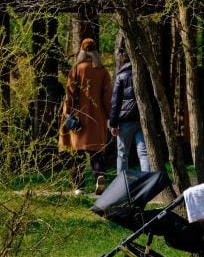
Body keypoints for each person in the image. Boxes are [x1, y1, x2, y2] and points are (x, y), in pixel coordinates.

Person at [59, 37, 113, 195]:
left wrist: (66, 113)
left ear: (82, 51)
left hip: (79, 116)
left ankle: (78, 186)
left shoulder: (75, 70)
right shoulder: (102, 71)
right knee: (97, 153)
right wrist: (110, 117)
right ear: (95, 51)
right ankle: (100, 182)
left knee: (77, 154)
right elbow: (107, 97)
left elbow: (69, 94)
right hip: (97, 118)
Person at [108, 47, 150, 175]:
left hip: (125, 120)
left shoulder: (121, 76)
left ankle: (122, 183)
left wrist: (113, 124)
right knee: (143, 153)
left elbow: (115, 102)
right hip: (142, 119)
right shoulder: (144, 73)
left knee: (122, 154)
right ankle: (147, 183)